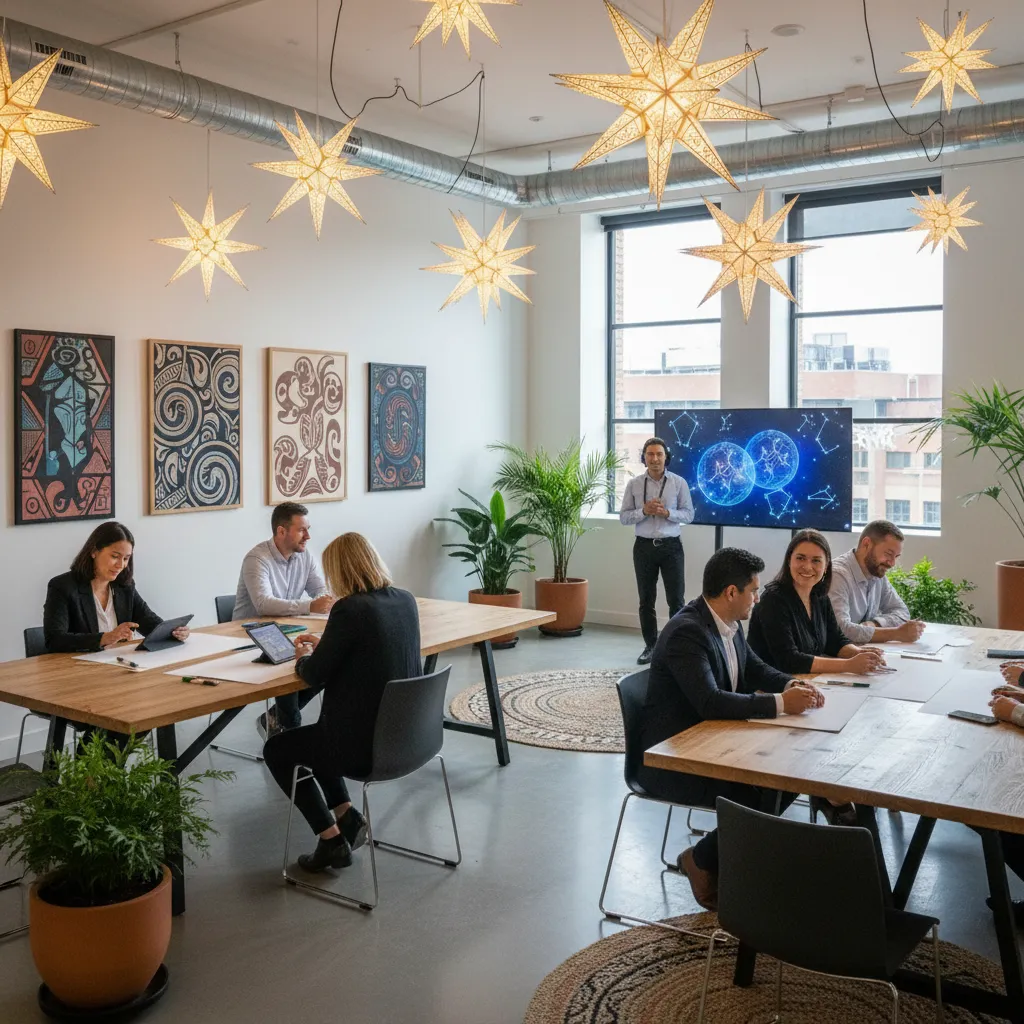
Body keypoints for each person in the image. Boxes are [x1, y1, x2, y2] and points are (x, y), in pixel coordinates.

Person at [639, 547, 824, 910]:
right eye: (753, 591)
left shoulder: (729, 622)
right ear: (730, 592)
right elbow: (710, 702)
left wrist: (791, 684)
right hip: (674, 758)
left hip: (715, 739)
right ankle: (701, 860)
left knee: (789, 776)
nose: (757, 598)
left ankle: (725, 856)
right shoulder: (687, 633)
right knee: (767, 789)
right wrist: (781, 704)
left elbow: (754, 668)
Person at [262, 533, 422, 873]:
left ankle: (331, 841)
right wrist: (329, 642)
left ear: (340, 570)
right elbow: (370, 646)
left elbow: (313, 675)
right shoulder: (405, 600)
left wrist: (304, 655)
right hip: (409, 740)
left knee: (278, 749)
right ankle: (346, 817)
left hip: (365, 750)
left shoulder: (349, 609)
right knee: (320, 737)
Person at [749, 529, 887, 826]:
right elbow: (789, 659)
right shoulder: (773, 599)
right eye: (800, 558)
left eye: (816, 560)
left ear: (826, 566)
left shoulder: (820, 596)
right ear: (788, 560)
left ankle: (830, 793)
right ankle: (828, 795)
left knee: (860, 726)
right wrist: (849, 665)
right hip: (774, 696)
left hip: (811, 689)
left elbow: (835, 640)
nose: (807, 567)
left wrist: (860, 655)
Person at [234, 502, 336, 739]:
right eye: (302, 530)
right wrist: (310, 606)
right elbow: (264, 604)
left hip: (289, 631)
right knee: (291, 661)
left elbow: (320, 591)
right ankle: (288, 731)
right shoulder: (257, 558)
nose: (308, 536)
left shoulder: (304, 556)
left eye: (308, 529)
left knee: (330, 659)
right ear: (281, 531)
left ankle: (277, 720)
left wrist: (327, 600)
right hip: (250, 636)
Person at [43, 521, 190, 653]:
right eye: (115, 556)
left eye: (126, 558)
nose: (121, 565)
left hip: (120, 663)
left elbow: (149, 623)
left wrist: (174, 632)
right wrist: (105, 638)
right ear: (94, 551)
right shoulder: (62, 586)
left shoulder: (124, 586)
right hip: (77, 668)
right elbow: (55, 640)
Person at [619, 437, 695, 666]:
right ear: (644, 458)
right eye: (650, 454)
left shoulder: (679, 483)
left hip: (672, 547)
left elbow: (689, 514)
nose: (654, 459)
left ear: (666, 457)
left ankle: (675, 647)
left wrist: (668, 513)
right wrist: (643, 511)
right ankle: (651, 646)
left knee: (676, 600)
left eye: (659, 454)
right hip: (643, 547)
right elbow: (624, 517)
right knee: (646, 600)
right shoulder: (634, 484)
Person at [829, 520, 925, 644]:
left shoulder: (877, 573)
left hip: (863, 651)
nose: (892, 563)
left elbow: (902, 612)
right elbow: (841, 630)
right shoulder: (837, 575)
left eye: (896, 556)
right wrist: (896, 633)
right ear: (866, 544)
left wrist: (875, 624)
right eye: (888, 554)